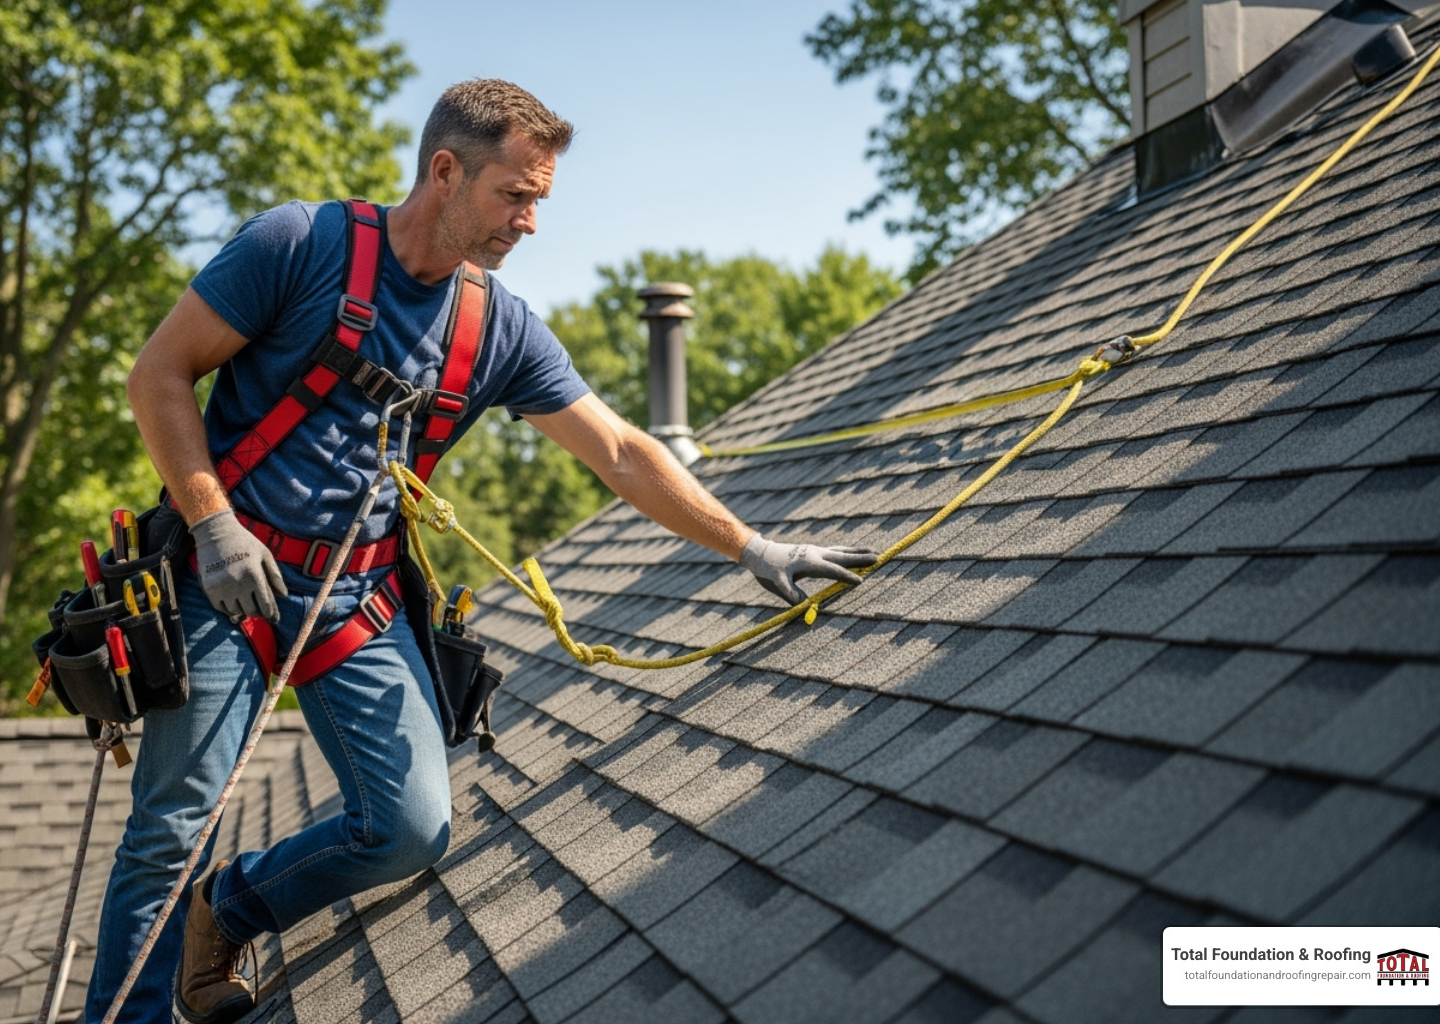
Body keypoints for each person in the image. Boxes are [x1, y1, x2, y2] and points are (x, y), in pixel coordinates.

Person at [98, 79, 875, 1024]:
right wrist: (212, 523)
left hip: (355, 600)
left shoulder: (495, 328)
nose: (532, 221)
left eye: (541, 199)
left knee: (410, 827)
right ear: (444, 170)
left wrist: (751, 544)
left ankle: (229, 909)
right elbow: (157, 374)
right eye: (517, 194)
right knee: (171, 826)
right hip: (226, 582)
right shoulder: (296, 246)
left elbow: (625, 452)